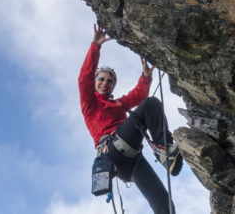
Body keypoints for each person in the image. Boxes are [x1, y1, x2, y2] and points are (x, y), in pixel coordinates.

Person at [78, 24, 183, 214]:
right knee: (150, 104)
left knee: (163, 201)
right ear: (95, 83)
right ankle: (164, 148)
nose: (105, 83)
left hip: (130, 164)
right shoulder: (90, 104)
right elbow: (83, 80)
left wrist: (145, 77)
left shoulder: (118, 104)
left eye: (110, 81)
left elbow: (137, 96)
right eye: (101, 79)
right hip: (112, 150)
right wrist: (95, 47)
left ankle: (165, 152)